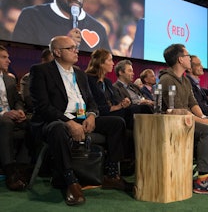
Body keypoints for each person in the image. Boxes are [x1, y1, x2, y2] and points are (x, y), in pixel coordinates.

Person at [29, 36, 130, 206]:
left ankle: (111, 175)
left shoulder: (80, 74)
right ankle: (70, 181)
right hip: (55, 120)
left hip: (82, 118)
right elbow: (43, 107)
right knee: (59, 129)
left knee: (117, 123)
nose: (77, 51)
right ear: (57, 52)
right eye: (71, 48)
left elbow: (91, 102)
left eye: (76, 48)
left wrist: (91, 115)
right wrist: (69, 123)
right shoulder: (41, 71)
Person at [159, 43, 208, 195]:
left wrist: (204, 117)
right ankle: (203, 179)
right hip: (176, 122)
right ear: (180, 60)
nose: (189, 58)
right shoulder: (167, 80)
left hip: (189, 118)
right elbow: (178, 111)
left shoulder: (185, 80)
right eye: (187, 56)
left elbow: (193, 103)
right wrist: (205, 122)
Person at [12, 0, 111, 52]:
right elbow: (19, 53)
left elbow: (105, 65)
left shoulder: (97, 28)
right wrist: (63, 44)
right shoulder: (32, 15)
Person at [85, 49, 135, 162]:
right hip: (98, 114)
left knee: (135, 111)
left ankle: (132, 155)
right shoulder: (88, 79)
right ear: (101, 63)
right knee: (121, 120)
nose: (113, 63)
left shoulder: (107, 82)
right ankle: (117, 164)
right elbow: (92, 104)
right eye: (110, 60)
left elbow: (116, 101)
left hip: (112, 111)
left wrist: (123, 103)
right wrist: (117, 107)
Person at [0, 45, 30, 191]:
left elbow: (18, 100)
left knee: (34, 122)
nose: (9, 61)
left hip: (12, 117)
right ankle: (10, 170)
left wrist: (19, 110)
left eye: (8, 57)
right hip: (3, 119)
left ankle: (22, 167)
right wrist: (3, 114)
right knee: (6, 122)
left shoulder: (9, 80)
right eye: (4, 57)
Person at [19, 48, 54, 114]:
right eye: (52, 62)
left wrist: (80, 116)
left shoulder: (67, 78)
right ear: (43, 61)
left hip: (71, 114)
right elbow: (30, 103)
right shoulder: (29, 78)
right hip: (44, 114)